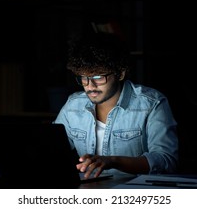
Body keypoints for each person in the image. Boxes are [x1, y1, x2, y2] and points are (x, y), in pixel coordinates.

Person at [54, 32, 178, 179]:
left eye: (98, 77)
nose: (89, 86)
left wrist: (113, 161)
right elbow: (52, 148)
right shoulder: (73, 106)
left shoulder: (152, 104)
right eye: (84, 78)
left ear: (120, 74)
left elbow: (166, 160)